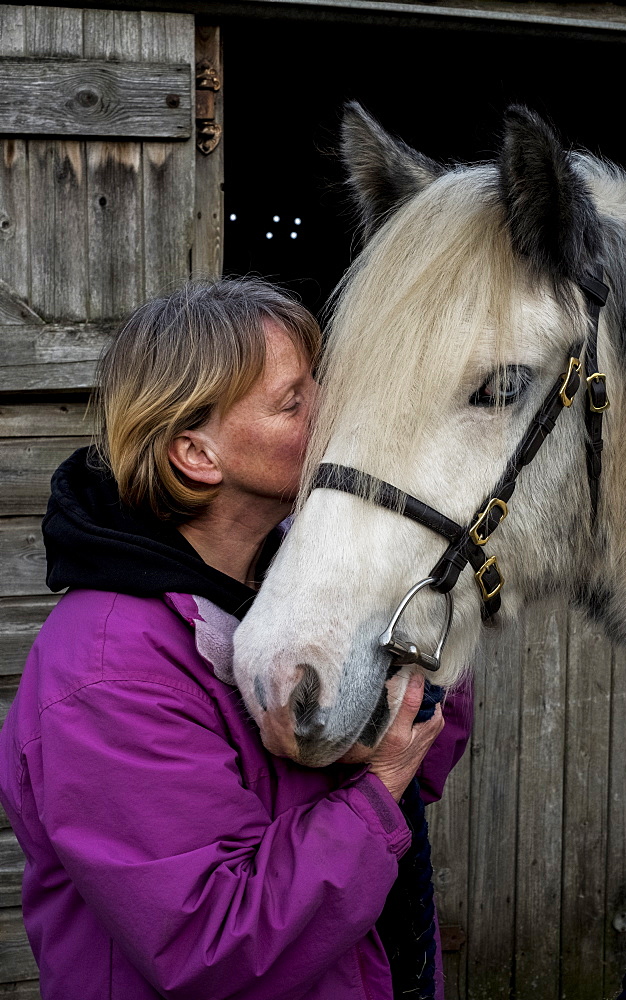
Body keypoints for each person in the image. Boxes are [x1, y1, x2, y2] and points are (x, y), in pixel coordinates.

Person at [0, 277, 472, 1000]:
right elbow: (210, 940)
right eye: (294, 400)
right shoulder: (109, 671)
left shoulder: (299, 587)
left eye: (321, 381)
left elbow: (427, 761)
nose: (333, 408)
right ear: (198, 455)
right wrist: (379, 789)